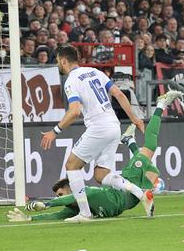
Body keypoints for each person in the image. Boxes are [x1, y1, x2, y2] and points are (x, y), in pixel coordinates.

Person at [8, 91, 183, 222]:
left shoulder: (91, 195)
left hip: (127, 186)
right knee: (153, 170)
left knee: (151, 147)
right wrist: (30, 219)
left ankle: (160, 104)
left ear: (71, 188)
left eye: (61, 194)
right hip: (131, 198)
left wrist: (48, 203)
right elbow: (58, 216)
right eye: (59, 196)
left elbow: (84, 193)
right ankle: (129, 141)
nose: (60, 197)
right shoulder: (76, 208)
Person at [40, 45, 146, 223]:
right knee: (101, 175)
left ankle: (85, 213)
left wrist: (54, 131)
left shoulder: (71, 80)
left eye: (58, 60)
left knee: (72, 166)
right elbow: (119, 93)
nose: (58, 63)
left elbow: (74, 112)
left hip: (99, 127)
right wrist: (135, 118)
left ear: (63, 60)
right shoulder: (94, 72)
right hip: (114, 125)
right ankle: (140, 193)